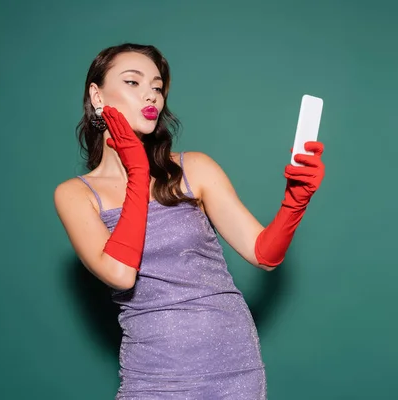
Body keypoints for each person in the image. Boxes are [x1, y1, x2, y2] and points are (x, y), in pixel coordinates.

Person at [54, 42, 325, 399]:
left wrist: (296, 200)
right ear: (97, 94)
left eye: (156, 86)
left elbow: (264, 255)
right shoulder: (75, 194)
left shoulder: (193, 168)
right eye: (133, 83)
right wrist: (137, 172)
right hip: (154, 375)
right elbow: (121, 273)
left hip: (234, 368)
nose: (151, 96)